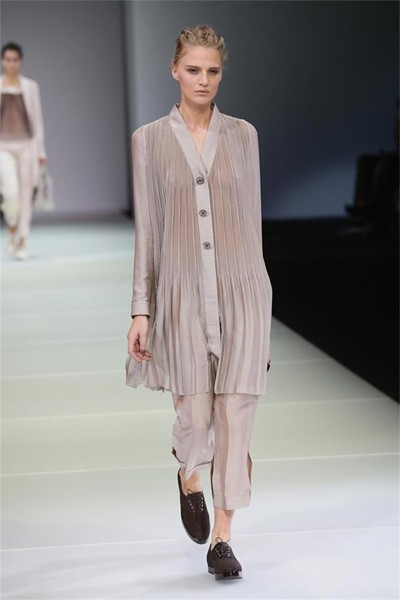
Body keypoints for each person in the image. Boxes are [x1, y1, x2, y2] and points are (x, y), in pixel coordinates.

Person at [126, 24, 273, 581]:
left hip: (241, 292)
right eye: (193, 70)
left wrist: (262, 300)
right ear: (174, 70)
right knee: (194, 416)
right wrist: (141, 309)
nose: (204, 80)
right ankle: (190, 479)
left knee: (236, 415)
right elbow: (149, 231)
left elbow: (252, 223)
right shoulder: (148, 140)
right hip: (182, 293)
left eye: (212, 71)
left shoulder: (244, 135)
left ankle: (223, 538)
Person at [0, 42, 47, 260]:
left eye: (15, 60)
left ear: (20, 61)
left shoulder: (30, 86)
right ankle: (12, 225)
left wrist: (41, 151)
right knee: (11, 193)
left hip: (27, 145)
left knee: (27, 194)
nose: (11, 64)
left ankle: (22, 240)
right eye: (7, 59)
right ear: (2, 61)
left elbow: (37, 120)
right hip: (3, 146)